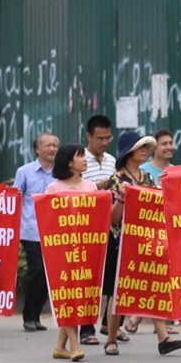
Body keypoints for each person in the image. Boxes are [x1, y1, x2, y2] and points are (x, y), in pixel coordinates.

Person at [103, 131, 181, 357]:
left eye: (144, 147)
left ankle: (163, 337)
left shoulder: (147, 179)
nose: (144, 151)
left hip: (146, 240)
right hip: (122, 243)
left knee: (153, 286)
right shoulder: (117, 179)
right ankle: (111, 338)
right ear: (129, 152)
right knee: (118, 292)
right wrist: (121, 199)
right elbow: (112, 219)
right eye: (140, 147)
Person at [44, 144, 97, 362]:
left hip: (85, 249)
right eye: (80, 156)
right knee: (67, 295)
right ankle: (75, 346)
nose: (85, 159)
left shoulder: (91, 186)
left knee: (80, 295)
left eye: (85, 156)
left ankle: (59, 346)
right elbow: (47, 220)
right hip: (61, 250)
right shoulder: (53, 189)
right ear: (68, 162)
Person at [13, 132, 59, 332]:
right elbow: (15, 199)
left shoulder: (61, 172)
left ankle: (36, 315)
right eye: (48, 145)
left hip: (54, 231)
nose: (52, 149)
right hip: (30, 230)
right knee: (37, 269)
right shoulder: (25, 172)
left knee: (49, 275)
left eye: (54, 146)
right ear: (37, 149)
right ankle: (27, 315)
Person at [80, 115, 115, 345]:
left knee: (111, 278)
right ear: (89, 136)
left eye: (108, 138)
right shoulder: (79, 160)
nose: (104, 142)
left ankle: (109, 324)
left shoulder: (113, 160)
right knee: (88, 279)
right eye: (99, 138)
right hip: (87, 228)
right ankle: (85, 328)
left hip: (111, 226)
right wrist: (105, 183)